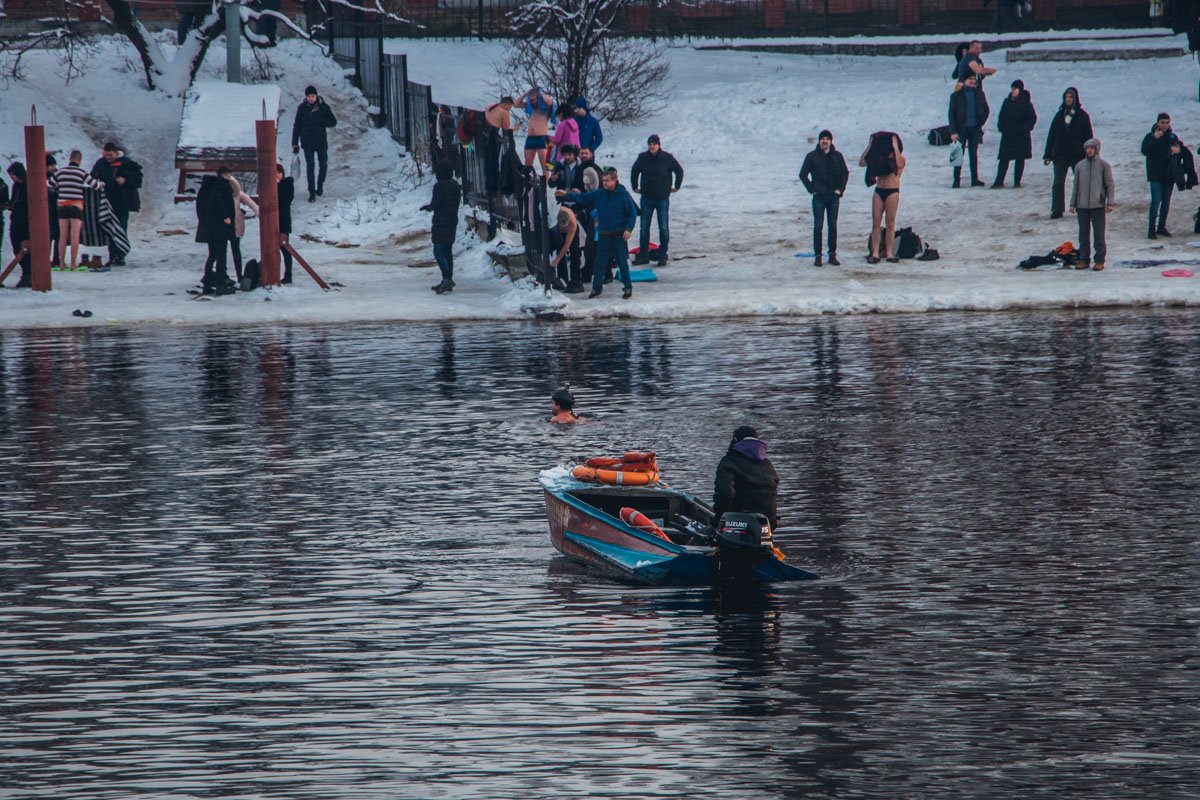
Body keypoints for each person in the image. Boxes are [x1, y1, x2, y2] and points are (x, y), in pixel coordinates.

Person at [557, 168, 638, 299]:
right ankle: (596, 288)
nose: (605, 183)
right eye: (603, 181)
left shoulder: (622, 194)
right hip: (604, 234)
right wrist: (566, 195)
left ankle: (627, 287)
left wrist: (628, 229)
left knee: (622, 261)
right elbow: (583, 198)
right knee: (600, 262)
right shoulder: (599, 194)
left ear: (614, 180)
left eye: (607, 181)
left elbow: (632, 213)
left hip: (619, 234)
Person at [630, 134, 684, 267]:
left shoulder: (667, 158)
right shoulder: (643, 158)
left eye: (654, 144)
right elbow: (634, 171)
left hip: (662, 198)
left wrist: (676, 186)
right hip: (647, 198)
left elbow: (679, 171)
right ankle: (643, 255)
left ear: (659, 145)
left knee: (663, 227)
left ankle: (662, 255)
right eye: (650, 144)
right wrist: (635, 186)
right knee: (644, 228)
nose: (652, 146)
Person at [798, 129, 849, 266]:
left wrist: (840, 190)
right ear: (819, 141)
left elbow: (845, 173)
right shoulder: (812, 156)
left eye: (827, 139)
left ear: (831, 141)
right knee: (818, 226)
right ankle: (818, 256)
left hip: (833, 197)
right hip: (819, 197)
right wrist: (812, 190)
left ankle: (832, 254)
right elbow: (803, 174)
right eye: (822, 139)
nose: (825, 141)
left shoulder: (837, 156)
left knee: (832, 226)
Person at [712, 425, 779, 529]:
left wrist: (718, 521)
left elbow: (725, 494)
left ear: (735, 440)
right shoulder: (768, 464)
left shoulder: (730, 462)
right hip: (768, 524)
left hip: (739, 523)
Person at [1043, 86, 1093, 219]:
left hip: (1077, 155)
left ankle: (1082, 207)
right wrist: (1048, 154)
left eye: (1071, 97)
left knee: (1080, 182)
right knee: (1058, 182)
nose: (1068, 99)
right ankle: (1057, 209)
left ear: (1075, 98)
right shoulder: (1059, 116)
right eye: (1066, 97)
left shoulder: (1083, 116)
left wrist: (1090, 153)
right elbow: (1051, 136)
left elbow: (1089, 137)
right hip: (1060, 154)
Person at [51, 150, 105, 271]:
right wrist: (102, 184)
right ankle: (73, 264)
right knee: (74, 235)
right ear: (79, 160)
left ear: (70, 159)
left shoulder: (61, 172)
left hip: (62, 205)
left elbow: (50, 184)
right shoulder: (81, 172)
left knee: (63, 235)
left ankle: (61, 264)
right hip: (76, 205)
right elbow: (94, 185)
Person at [90, 142, 142, 267]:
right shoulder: (100, 163)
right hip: (106, 202)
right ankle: (112, 255)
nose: (108, 157)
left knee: (121, 229)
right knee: (109, 229)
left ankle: (121, 255)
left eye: (110, 155)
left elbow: (138, 179)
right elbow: (92, 177)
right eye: (106, 155)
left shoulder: (126, 163)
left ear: (116, 153)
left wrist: (126, 180)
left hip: (122, 202)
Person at [859, 132, 906, 263]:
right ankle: (875, 253)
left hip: (892, 191)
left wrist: (895, 146)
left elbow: (900, 164)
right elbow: (862, 162)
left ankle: (890, 253)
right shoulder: (879, 159)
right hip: (879, 190)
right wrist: (870, 145)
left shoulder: (899, 159)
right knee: (876, 223)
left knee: (890, 223)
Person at [1069, 138, 1115, 272]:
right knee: (1083, 233)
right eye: (1087, 148)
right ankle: (1084, 259)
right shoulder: (1079, 166)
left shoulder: (1103, 165)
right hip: (1082, 205)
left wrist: (1110, 202)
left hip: (1098, 205)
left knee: (1099, 233)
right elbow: (1076, 186)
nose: (1089, 150)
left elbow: (1109, 185)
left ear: (1096, 149)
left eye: (1091, 148)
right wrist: (1073, 203)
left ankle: (1099, 260)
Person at [420, 160, 461, 294]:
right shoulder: (455, 185)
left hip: (441, 221)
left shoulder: (439, 186)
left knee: (438, 250)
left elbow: (436, 204)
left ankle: (446, 278)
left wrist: (428, 207)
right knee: (448, 250)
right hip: (452, 220)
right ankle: (448, 278)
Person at [291, 85, 337, 203]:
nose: (311, 98)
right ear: (306, 97)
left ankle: (320, 185)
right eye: (309, 96)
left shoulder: (323, 107)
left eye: (313, 96)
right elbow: (297, 125)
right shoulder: (302, 108)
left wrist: (321, 122)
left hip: (321, 141)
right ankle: (312, 192)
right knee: (310, 167)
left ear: (316, 96)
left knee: (323, 164)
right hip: (307, 142)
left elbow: (333, 122)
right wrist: (294, 142)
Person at [195, 166, 237, 295]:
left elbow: (200, 206)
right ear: (225, 174)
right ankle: (220, 284)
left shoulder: (206, 187)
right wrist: (225, 216)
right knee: (221, 256)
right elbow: (218, 201)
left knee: (212, 254)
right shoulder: (221, 185)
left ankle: (207, 284)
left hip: (208, 226)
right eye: (229, 175)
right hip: (220, 227)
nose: (230, 178)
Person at [1141, 112, 1183, 238]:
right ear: (1158, 123)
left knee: (1166, 202)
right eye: (1162, 122)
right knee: (1156, 201)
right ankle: (1151, 229)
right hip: (1156, 175)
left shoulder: (1172, 136)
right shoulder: (1150, 136)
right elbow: (1145, 150)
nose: (1165, 125)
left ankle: (1161, 227)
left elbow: (1181, 148)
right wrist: (1155, 138)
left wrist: (1179, 150)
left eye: (1167, 122)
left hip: (1169, 175)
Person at [948, 73, 990, 188]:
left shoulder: (979, 94)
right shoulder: (956, 96)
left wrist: (980, 123)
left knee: (973, 154)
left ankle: (974, 179)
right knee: (957, 153)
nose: (972, 81)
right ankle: (956, 179)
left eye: (973, 79)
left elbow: (986, 110)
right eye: (969, 79)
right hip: (960, 129)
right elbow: (951, 114)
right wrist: (953, 131)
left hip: (974, 128)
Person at [994, 79, 1037, 188]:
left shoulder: (1026, 103)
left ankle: (1017, 181)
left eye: (1015, 89)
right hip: (1008, 135)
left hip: (1021, 135)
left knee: (1020, 158)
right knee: (1004, 159)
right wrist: (1001, 127)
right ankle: (999, 181)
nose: (1013, 91)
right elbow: (1001, 116)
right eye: (1012, 89)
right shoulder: (1007, 102)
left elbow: (1032, 118)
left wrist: (1026, 127)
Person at [223, 173, 259, 283]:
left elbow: (251, 203)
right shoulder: (221, 192)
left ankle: (239, 275)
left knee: (235, 250)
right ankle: (224, 275)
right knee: (223, 251)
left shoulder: (237, 192)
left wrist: (259, 214)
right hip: (225, 224)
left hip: (235, 224)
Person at [516, 85, 554, 172]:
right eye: (531, 100)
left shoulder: (545, 108)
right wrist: (526, 94)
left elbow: (550, 101)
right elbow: (516, 104)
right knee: (527, 167)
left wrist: (539, 94)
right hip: (530, 139)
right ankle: (529, 184)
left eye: (534, 99)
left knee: (546, 167)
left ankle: (544, 185)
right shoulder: (529, 107)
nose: (533, 102)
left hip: (543, 138)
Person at [5, 162, 31, 289]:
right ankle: (26, 273)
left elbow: (23, 203)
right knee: (16, 248)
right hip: (16, 220)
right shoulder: (16, 186)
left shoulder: (27, 186)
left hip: (24, 222)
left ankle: (28, 273)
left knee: (24, 249)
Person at [483, 96, 515, 198]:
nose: (510, 109)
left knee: (489, 164)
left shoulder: (492, 108)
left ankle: (489, 189)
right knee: (496, 164)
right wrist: (515, 128)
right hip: (495, 140)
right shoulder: (504, 112)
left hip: (486, 137)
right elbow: (506, 131)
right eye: (510, 107)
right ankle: (496, 190)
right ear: (507, 104)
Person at [548, 208, 583, 293]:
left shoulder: (572, 225)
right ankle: (563, 279)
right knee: (559, 248)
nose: (564, 229)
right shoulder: (552, 215)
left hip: (572, 231)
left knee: (575, 253)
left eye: (566, 228)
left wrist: (557, 259)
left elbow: (567, 245)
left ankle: (576, 281)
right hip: (556, 227)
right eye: (563, 228)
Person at [275, 163, 295, 283]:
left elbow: (285, 200)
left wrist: (277, 185)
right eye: (275, 173)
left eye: (278, 173)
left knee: (285, 248)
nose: (277, 175)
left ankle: (288, 275)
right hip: (273, 220)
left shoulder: (287, 184)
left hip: (283, 220)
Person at [45, 154, 60, 267]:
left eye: (54, 165)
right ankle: (46, 258)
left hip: (57, 210)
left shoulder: (57, 176)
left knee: (58, 235)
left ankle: (57, 258)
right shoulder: (41, 178)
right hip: (47, 211)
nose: (54, 168)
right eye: (51, 165)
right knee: (48, 236)